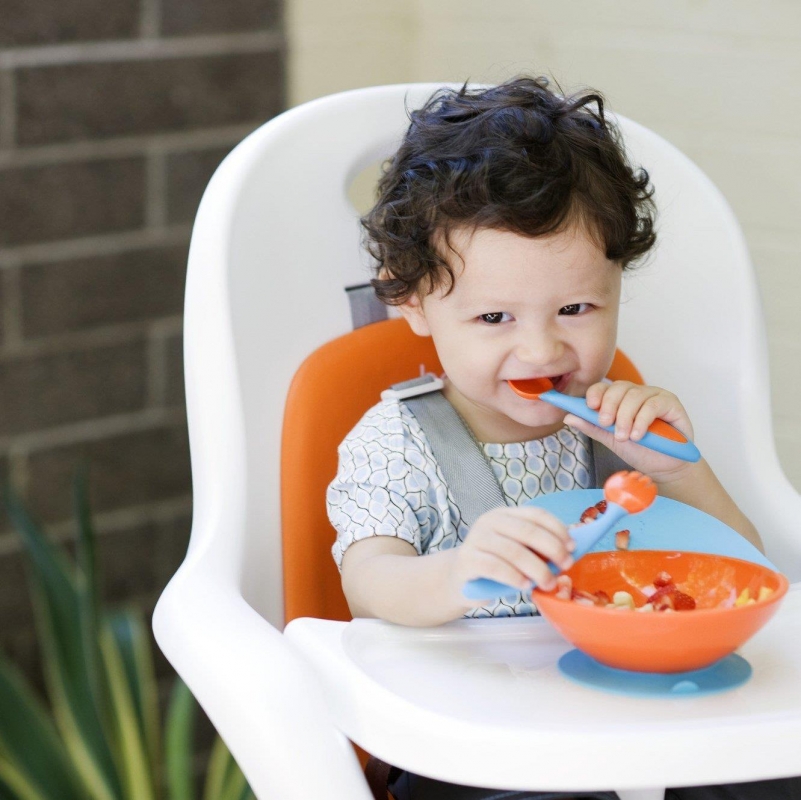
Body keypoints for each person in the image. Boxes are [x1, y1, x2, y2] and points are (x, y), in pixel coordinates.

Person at [326, 76, 799, 800]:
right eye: (494, 320)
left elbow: (738, 569)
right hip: (481, 743)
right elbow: (368, 586)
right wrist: (455, 573)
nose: (544, 352)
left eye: (575, 308)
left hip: (641, 715)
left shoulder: (617, 420)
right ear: (410, 300)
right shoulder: (396, 442)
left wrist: (674, 469)